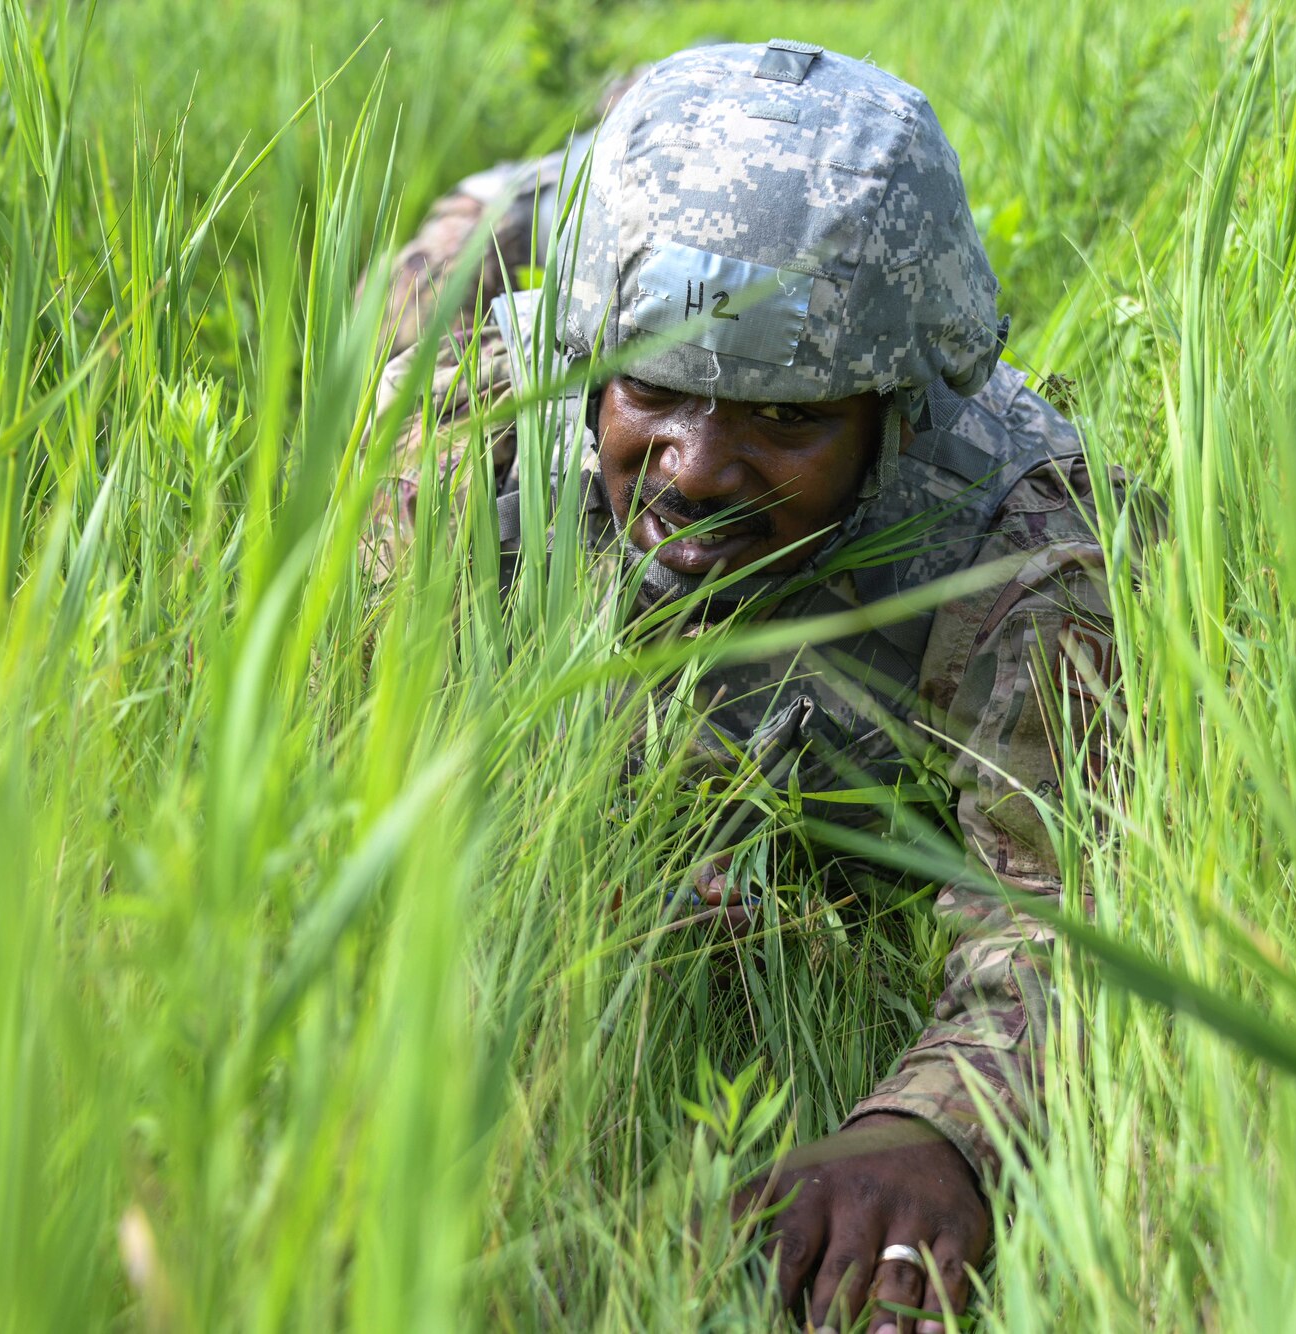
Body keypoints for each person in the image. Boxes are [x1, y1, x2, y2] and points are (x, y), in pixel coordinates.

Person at [367, 40, 1158, 1333]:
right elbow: (361, 780)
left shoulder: (1016, 542)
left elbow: (1071, 910)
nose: (694, 468)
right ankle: (579, 158)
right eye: (657, 390)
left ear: (892, 411)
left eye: (786, 419)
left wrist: (932, 1128)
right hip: (532, 256)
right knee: (420, 280)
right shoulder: (479, 425)